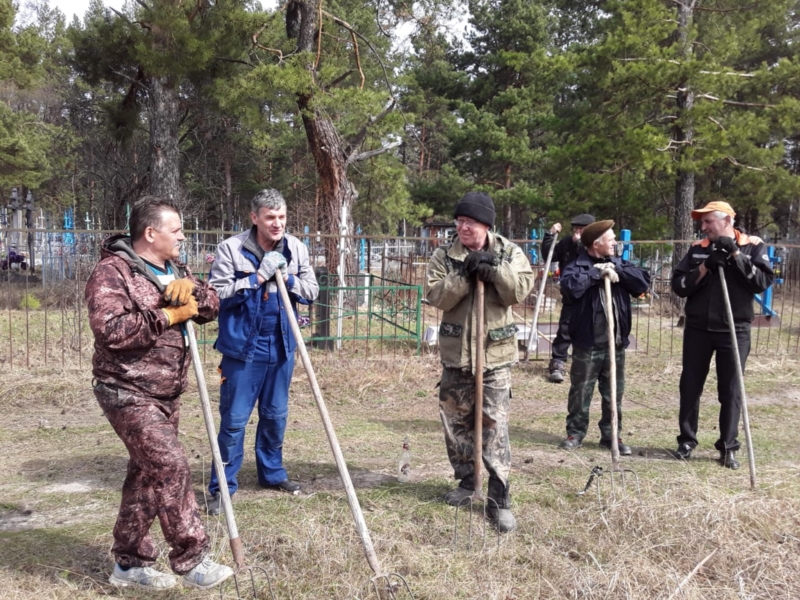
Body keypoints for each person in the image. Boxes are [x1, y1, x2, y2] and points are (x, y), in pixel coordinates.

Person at [86, 198, 233, 591]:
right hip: (126, 389)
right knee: (170, 466)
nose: (183, 236)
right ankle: (192, 557)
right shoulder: (111, 272)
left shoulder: (175, 269)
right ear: (151, 233)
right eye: (177, 229)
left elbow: (213, 305)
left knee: (146, 477)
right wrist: (168, 314)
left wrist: (195, 295)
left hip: (166, 392)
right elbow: (111, 331)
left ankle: (129, 564)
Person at [426, 191, 535, 532]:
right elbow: (435, 295)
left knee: (494, 428)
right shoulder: (446, 255)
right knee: (456, 424)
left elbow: (519, 291)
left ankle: (499, 496)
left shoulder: (509, 252)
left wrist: (495, 271)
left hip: (495, 356)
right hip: (457, 354)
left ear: (486, 224)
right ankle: (466, 482)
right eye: (459, 222)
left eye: (469, 223)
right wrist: (463, 276)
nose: (462, 228)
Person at [206, 189, 318, 514]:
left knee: (275, 416)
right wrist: (256, 277)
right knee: (234, 420)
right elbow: (219, 295)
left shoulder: (296, 248)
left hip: (282, 343)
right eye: (270, 217)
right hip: (243, 348)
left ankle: (271, 474)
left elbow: (312, 290)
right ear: (254, 218)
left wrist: (289, 278)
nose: (277, 223)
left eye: (282, 217)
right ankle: (222, 488)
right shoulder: (232, 249)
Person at [671, 201, 773, 469]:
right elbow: (679, 286)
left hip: (734, 328)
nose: (703, 227)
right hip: (698, 329)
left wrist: (737, 256)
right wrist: (705, 268)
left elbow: (761, 282)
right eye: (702, 222)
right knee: (690, 386)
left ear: (726, 221)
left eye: (708, 222)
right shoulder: (698, 249)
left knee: (730, 390)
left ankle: (728, 446)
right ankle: (686, 441)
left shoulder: (753, 245)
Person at [557, 220, 650, 454]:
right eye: (611, 239)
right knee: (581, 390)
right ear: (596, 244)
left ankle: (611, 435)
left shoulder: (619, 262)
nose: (615, 242)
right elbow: (569, 287)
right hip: (588, 343)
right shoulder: (577, 266)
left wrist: (617, 271)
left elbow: (642, 282)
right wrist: (595, 275)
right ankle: (575, 433)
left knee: (613, 392)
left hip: (615, 344)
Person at [541, 214, 595, 382]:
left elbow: (586, 258)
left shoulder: (595, 244)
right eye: (576, 229)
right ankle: (557, 362)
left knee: (590, 329)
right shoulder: (566, 242)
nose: (577, 232)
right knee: (565, 329)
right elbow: (549, 255)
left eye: (582, 229)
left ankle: (588, 363)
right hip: (571, 294)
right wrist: (549, 235)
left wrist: (579, 243)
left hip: (591, 295)